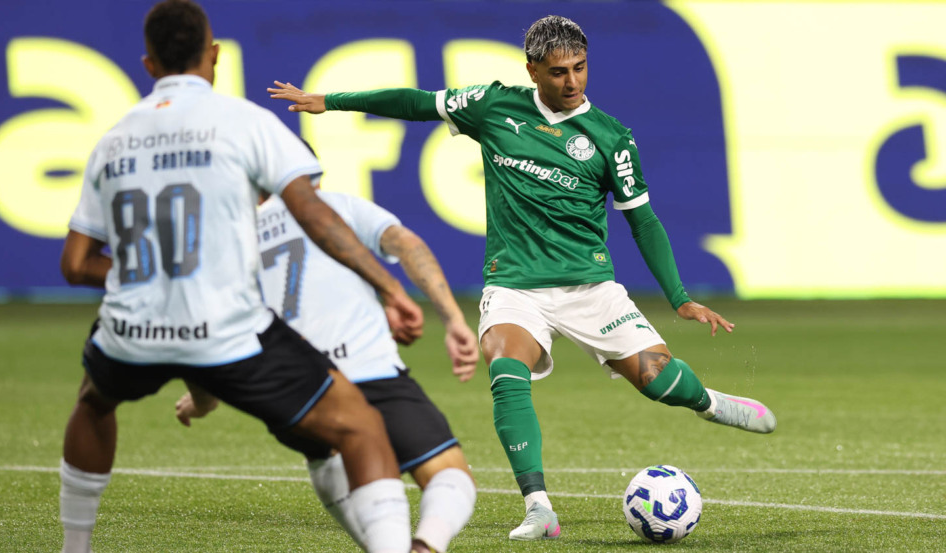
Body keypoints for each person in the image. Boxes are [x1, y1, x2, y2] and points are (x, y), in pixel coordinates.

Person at [267, 14, 777, 542]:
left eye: (580, 68)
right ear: (532, 70)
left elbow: (642, 220)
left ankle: (711, 404)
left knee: (658, 380)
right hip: (514, 285)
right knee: (505, 368)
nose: (572, 82)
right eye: (558, 72)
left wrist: (680, 297)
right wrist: (332, 102)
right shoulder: (493, 106)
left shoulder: (611, 138)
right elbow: (416, 102)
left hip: (591, 288)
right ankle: (538, 507)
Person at [57, 1, 419, 552]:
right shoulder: (245, 121)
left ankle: (74, 547)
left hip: (133, 329)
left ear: (149, 64)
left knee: (93, 401)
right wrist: (391, 286)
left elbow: (77, 264)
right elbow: (315, 216)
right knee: (361, 427)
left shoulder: (113, 140)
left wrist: (147, 272)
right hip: (226, 330)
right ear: (215, 56)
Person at [177, 184, 479, 553]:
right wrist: (452, 319)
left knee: (327, 460)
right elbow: (407, 243)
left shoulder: (226, 239)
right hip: (366, 371)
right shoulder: (335, 206)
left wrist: (203, 400)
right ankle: (427, 545)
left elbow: (201, 325)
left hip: (293, 392)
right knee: (450, 476)